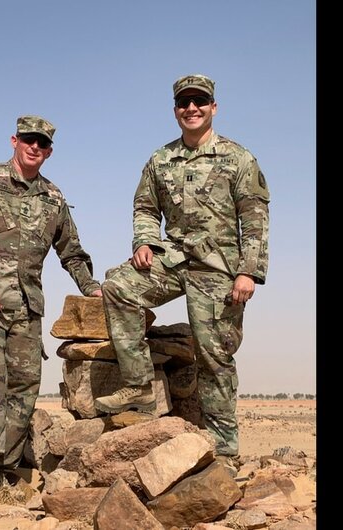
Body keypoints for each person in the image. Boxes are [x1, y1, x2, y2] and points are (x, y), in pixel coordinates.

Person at [93, 75, 270, 478]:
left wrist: (248, 272)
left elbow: (255, 219)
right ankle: (139, 385)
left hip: (218, 269)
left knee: (214, 356)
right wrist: (144, 240)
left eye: (199, 101)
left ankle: (224, 451)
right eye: (184, 102)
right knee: (119, 286)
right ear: (175, 110)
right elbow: (144, 207)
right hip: (173, 260)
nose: (192, 108)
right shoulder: (161, 160)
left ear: (213, 107)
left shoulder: (238, 158)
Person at [0, 115, 102, 510]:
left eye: (43, 143)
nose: (35, 147)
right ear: (14, 140)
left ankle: (2, 468)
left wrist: (91, 288)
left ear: (49, 151)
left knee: (24, 386)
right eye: (29, 139)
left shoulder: (53, 198)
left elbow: (71, 251)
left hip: (26, 308)